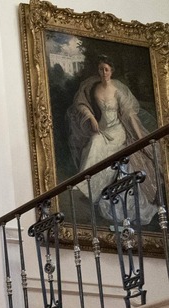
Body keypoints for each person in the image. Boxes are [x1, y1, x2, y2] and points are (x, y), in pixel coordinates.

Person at [68, 55, 159, 224]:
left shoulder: (118, 90)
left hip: (117, 131)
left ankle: (97, 191)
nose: (103, 72)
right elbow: (81, 103)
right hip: (103, 129)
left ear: (112, 71)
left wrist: (140, 138)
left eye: (106, 69)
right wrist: (91, 117)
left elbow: (130, 115)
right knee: (95, 142)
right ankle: (85, 186)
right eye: (101, 69)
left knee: (110, 155)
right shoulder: (93, 87)